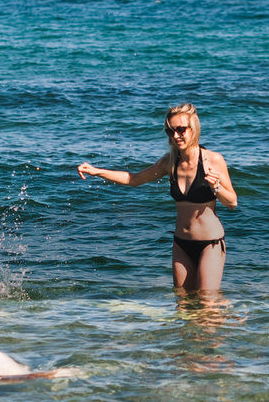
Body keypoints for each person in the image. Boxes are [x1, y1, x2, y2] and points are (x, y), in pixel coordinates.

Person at [77, 103, 238, 292]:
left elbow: (232, 202)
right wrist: (96, 172)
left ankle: (229, 318)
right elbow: (134, 179)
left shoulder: (213, 160)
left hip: (209, 243)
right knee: (183, 303)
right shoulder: (169, 162)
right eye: (170, 131)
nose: (176, 136)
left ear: (193, 129)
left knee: (207, 302)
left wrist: (215, 186)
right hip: (181, 243)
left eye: (180, 130)